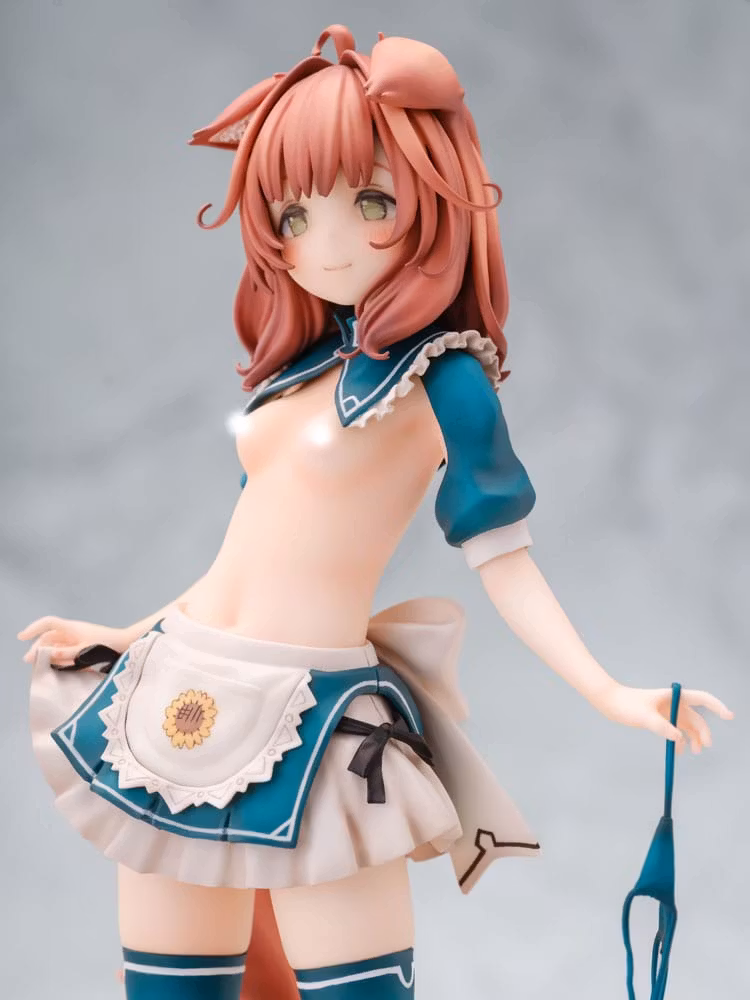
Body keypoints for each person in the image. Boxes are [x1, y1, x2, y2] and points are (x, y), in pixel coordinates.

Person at [19, 24, 732, 1000]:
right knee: (170, 985)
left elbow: (504, 556)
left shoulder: (446, 380)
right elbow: (243, 561)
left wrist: (610, 690)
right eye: (294, 212)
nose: (329, 241)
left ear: (434, 199)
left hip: (315, 725)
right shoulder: (297, 375)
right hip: (178, 695)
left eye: (370, 201)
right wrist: (128, 635)